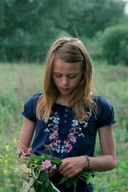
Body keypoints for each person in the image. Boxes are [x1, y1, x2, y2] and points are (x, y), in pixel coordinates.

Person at [17, 36, 117, 192]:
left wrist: (84, 162)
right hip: (39, 188)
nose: (64, 82)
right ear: (50, 73)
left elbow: (110, 160)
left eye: (72, 76)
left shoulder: (99, 107)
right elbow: (21, 153)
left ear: (84, 73)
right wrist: (36, 166)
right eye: (58, 75)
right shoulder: (36, 104)